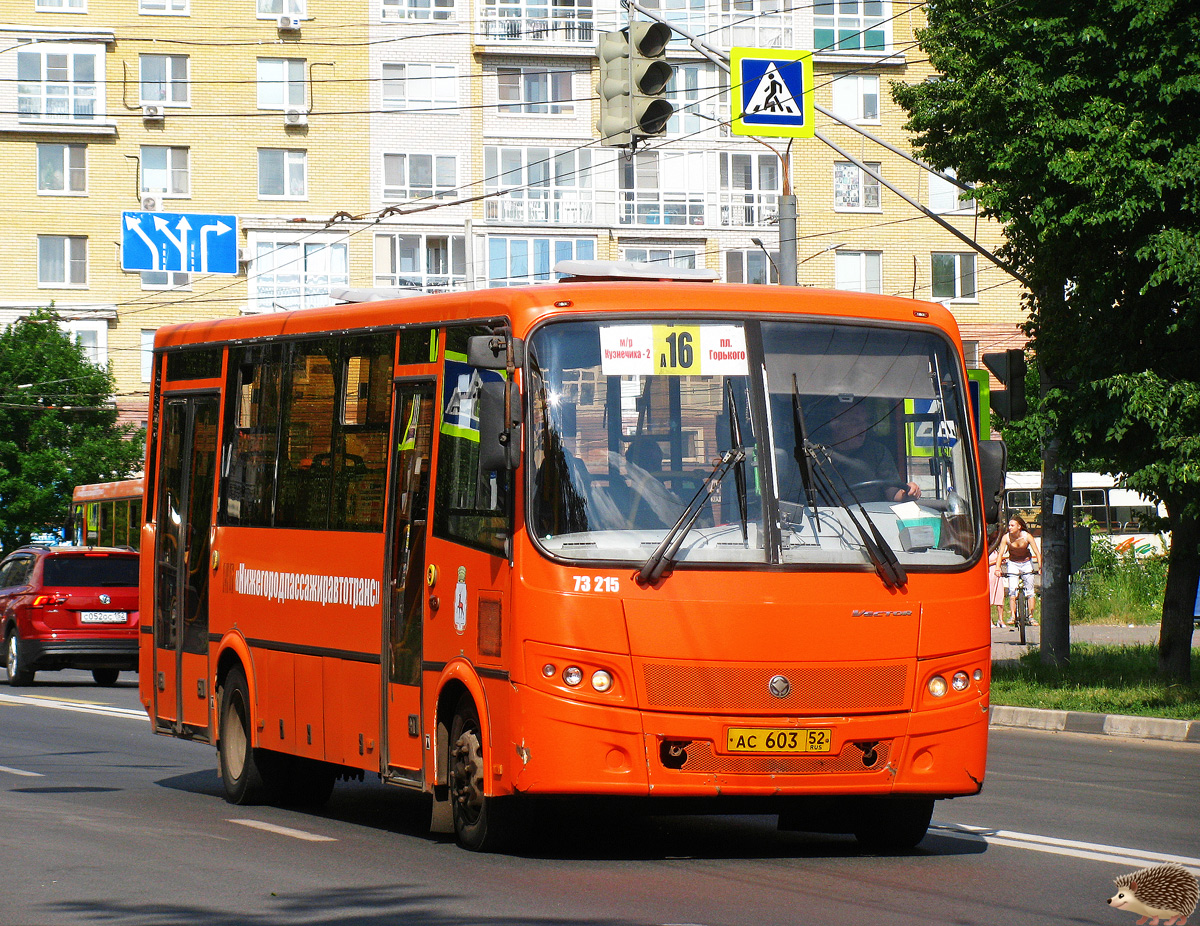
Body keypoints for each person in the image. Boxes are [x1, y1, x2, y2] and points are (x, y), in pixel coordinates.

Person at [823, 402, 921, 502]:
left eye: (865, 422)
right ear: (835, 423)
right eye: (855, 421)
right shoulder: (816, 455)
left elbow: (894, 494)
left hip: (871, 516)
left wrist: (908, 492)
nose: (862, 428)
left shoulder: (877, 452)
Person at [995, 514, 1041, 626]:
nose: (1009, 527)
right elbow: (1000, 554)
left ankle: (1031, 617)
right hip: (1013, 563)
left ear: (1019, 526)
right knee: (1012, 590)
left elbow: (1037, 553)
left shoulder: (1027, 536)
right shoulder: (1006, 538)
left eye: (1012, 525)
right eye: (1009, 525)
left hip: (1026, 563)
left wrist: (1040, 567)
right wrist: (997, 568)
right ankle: (1013, 615)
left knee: (1030, 591)